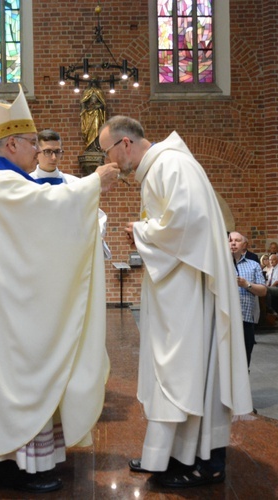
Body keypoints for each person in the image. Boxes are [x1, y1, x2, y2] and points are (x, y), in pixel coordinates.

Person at [0, 87, 120, 493]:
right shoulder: (0, 184)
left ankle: (12, 463)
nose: (37, 151)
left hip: (11, 303)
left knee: (18, 382)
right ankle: (22, 467)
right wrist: (93, 183)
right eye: (32, 143)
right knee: (21, 381)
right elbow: (47, 211)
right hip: (11, 313)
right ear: (12, 142)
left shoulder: (6, 181)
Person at [100, 116, 252, 488]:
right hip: (175, 294)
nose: (109, 162)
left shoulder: (172, 164)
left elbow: (186, 223)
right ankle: (167, 454)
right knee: (172, 375)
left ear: (124, 144)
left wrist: (141, 231)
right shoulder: (161, 167)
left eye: (106, 152)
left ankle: (204, 463)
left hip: (190, 298)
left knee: (188, 374)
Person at [30, 129, 111, 259]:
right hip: (35, 254)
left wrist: (94, 238)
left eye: (57, 152)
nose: (53, 157)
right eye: (48, 152)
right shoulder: (26, 184)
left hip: (68, 255)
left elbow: (97, 215)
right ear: (36, 153)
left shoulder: (75, 184)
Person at [229, 231, 268, 367]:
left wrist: (247, 285)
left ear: (244, 244)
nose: (233, 243)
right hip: (224, 319)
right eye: (230, 240)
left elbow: (263, 291)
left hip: (245, 318)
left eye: (237, 240)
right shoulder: (218, 265)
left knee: (245, 356)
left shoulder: (253, 265)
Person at [80, 86, 106, 151]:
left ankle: (96, 147)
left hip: (97, 113)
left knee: (96, 128)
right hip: (89, 113)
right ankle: (90, 147)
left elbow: (103, 104)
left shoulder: (99, 91)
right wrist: (85, 108)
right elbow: (83, 102)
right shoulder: (87, 91)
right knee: (89, 130)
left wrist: (99, 106)